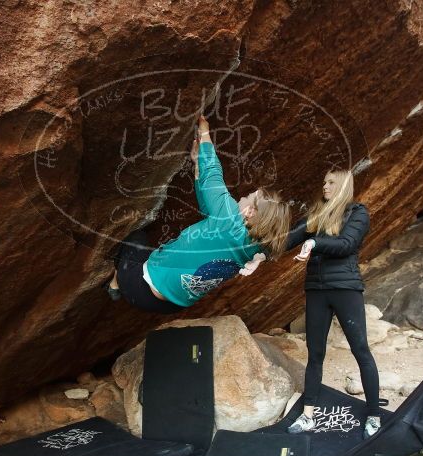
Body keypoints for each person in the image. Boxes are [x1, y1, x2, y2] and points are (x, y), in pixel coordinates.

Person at [243, 169, 381, 438]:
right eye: (324, 181)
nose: (325, 186)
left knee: (360, 350)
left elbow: (346, 243)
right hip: (317, 290)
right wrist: (260, 254)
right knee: (315, 355)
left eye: (331, 182)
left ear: (342, 185)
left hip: (344, 288)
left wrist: (314, 242)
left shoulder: (357, 213)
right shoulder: (316, 215)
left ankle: (374, 415)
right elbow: (289, 238)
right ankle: (308, 416)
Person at [106, 116, 290, 313]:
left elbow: (212, 172)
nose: (243, 197)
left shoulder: (229, 218)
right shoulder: (255, 247)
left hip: (138, 288)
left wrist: (204, 131)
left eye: (248, 196)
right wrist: (196, 165)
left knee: (137, 237)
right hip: (170, 306)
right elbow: (207, 209)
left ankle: (115, 284)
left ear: (250, 212)